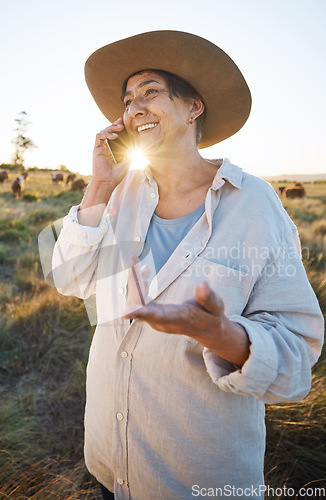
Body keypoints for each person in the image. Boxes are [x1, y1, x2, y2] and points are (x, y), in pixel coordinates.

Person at [52, 31, 324, 500]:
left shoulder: (253, 204)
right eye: (127, 99)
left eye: (150, 92)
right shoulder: (123, 195)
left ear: (193, 106)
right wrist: (98, 187)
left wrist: (222, 335)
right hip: (109, 467)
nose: (133, 107)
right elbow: (72, 280)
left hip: (198, 481)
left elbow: (297, 358)